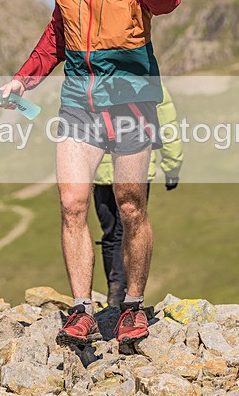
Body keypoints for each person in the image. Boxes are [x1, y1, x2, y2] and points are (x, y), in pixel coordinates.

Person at [0, 0, 181, 345]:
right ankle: (81, 310)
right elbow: (57, 36)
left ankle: (133, 307)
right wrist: (23, 80)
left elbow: (168, 1)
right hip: (80, 103)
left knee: (131, 205)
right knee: (71, 203)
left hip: (131, 102)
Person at [94, 82, 183, 308]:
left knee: (111, 234)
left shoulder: (95, 81)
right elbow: (168, 125)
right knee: (127, 229)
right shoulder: (149, 81)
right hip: (135, 166)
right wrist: (172, 168)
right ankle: (121, 294)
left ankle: (115, 291)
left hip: (99, 170)